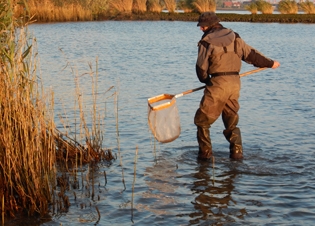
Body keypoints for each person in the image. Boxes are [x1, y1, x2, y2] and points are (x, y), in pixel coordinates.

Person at [194, 11, 280, 161]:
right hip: (235, 83)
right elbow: (251, 55)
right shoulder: (235, 37)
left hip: (217, 84)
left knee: (202, 121)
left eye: (202, 26)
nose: (201, 29)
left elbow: (201, 69)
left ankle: (205, 157)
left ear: (210, 25)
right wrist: (270, 63)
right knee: (231, 120)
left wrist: (206, 81)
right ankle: (237, 154)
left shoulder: (206, 42)